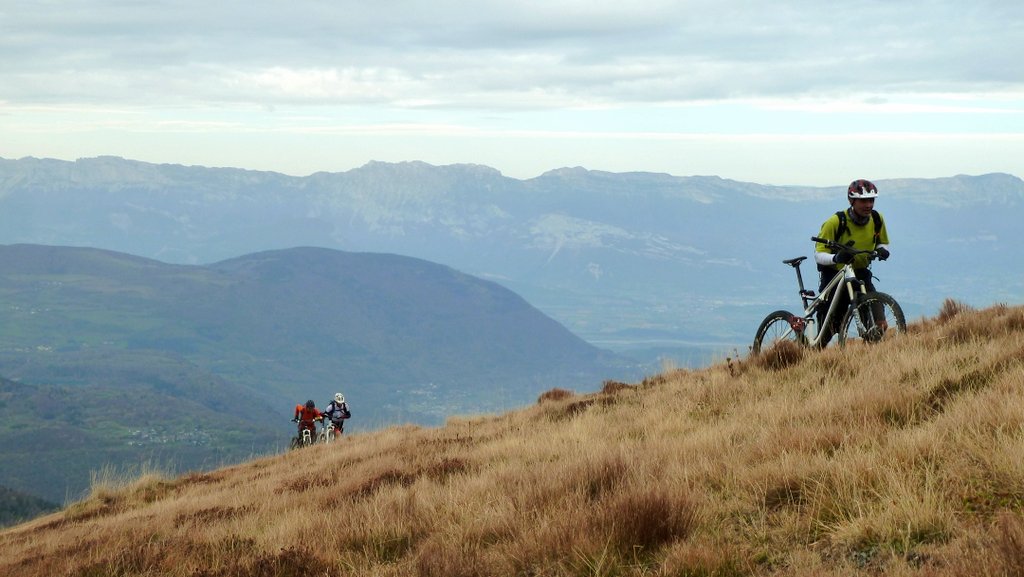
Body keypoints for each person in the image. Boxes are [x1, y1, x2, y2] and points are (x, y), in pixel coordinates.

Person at [813, 179, 891, 346]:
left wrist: (882, 250)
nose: (869, 205)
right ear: (851, 201)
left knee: (879, 324)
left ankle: (869, 359)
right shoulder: (835, 222)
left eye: (871, 200)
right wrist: (836, 258)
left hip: (861, 273)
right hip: (835, 276)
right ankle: (811, 353)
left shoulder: (877, 219)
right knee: (829, 329)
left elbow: (882, 242)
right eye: (863, 201)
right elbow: (819, 254)